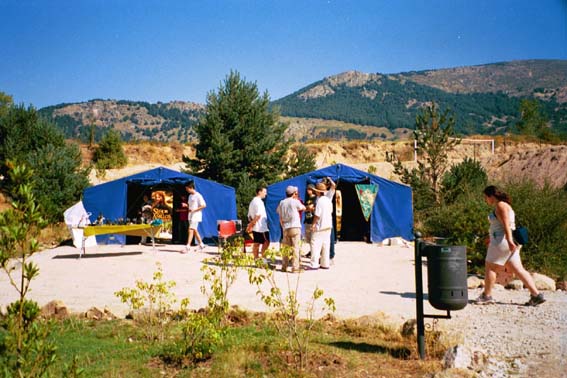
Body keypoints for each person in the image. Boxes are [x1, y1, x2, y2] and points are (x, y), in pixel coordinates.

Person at [474, 185, 545, 306]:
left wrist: (509, 240)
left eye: (485, 197)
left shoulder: (500, 205)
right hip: (506, 241)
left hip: (502, 241)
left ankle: (487, 295)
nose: (485, 200)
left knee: (490, 267)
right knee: (518, 269)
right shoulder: (506, 205)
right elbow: (502, 225)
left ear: (491, 196)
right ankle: (536, 295)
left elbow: (506, 225)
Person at [277, 185, 306, 273]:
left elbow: (279, 213)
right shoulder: (295, 201)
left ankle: (284, 266)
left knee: (286, 248)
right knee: (295, 248)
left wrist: (283, 226)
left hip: (285, 227)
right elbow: (303, 208)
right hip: (295, 226)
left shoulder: (282, 202)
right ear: (294, 193)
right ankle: (295, 268)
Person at [308, 182, 333, 270]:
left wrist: (313, 224)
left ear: (318, 192)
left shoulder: (319, 201)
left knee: (315, 244)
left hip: (320, 226)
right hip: (328, 225)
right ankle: (325, 264)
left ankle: (314, 264)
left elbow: (317, 215)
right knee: (326, 245)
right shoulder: (328, 200)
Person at [247, 186, 270, 260]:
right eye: (264, 192)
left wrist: (251, 224)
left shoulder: (252, 201)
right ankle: (263, 259)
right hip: (261, 227)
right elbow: (258, 215)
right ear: (259, 192)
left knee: (257, 243)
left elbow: (249, 216)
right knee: (266, 242)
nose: (265, 194)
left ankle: (256, 259)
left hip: (256, 227)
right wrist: (251, 225)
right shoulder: (259, 202)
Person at [183, 182, 207, 253]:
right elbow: (190, 206)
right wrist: (186, 206)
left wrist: (195, 210)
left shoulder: (198, 195)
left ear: (191, 188)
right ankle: (202, 245)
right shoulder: (190, 196)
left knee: (190, 230)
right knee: (195, 230)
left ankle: (188, 246)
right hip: (190, 215)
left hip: (196, 216)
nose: (187, 190)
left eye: (187, 189)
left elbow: (204, 205)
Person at [303, 184, 317, 258]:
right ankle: (311, 251)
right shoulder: (308, 199)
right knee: (308, 239)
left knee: (313, 238)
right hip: (307, 220)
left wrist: (308, 208)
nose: (308, 191)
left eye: (310, 189)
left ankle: (314, 252)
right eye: (308, 189)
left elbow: (312, 207)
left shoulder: (315, 198)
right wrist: (308, 208)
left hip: (312, 220)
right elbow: (305, 208)